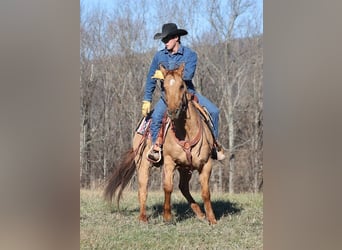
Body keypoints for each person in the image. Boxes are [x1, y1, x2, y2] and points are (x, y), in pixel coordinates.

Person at [141, 23, 225, 162]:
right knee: (156, 118)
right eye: (163, 40)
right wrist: (147, 99)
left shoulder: (190, 55)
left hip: (188, 94)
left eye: (167, 39)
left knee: (214, 112)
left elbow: (187, 75)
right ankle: (157, 149)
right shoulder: (159, 56)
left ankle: (213, 146)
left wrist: (165, 76)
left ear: (176, 38)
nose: (165, 42)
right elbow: (151, 78)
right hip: (166, 97)